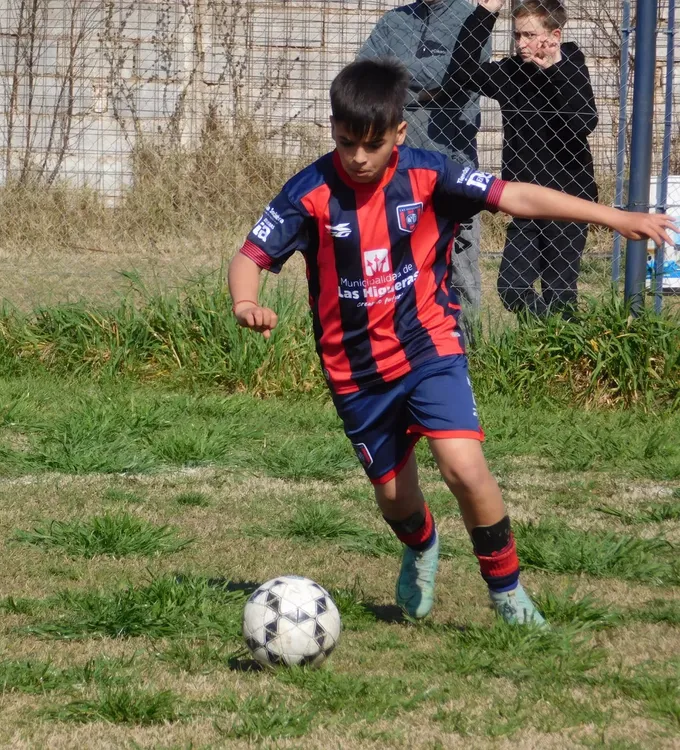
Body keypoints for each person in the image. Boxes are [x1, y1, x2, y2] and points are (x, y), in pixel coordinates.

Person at [228, 59, 676, 626]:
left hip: (428, 348)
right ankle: (421, 544)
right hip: (355, 371)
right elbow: (250, 256)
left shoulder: (430, 175)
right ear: (334, 130)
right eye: (346, 144)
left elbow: (518, 198)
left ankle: (507, 591)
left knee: (464, 468)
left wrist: (614, 218)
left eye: (371, 144)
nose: (358, 158)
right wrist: (246, 302)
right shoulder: (310, 190)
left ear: (399, 133)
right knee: (395, 499)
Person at [446, 0, 598, 316]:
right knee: (512, 287)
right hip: (525, 201)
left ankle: (560, 351)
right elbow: (462, 69)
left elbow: (584, 122)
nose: (521, 43)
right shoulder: (511, 72)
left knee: (559, 292)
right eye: (517, 35)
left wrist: (555, 68)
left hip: (566, 200)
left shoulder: (571, 62)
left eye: (529, 35)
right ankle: (544, 337)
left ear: (554, 35)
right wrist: (484, 15)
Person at [359, 0, 490, 325]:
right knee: (398, 260)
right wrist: (427, 89)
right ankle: (403, 338)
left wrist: (396, 77)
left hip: (453, 161)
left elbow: (461, 73)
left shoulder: (473, 20)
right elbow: (364, 75)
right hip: (399, 168)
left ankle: (468, 349)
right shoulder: (393, 22)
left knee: (459, 264)